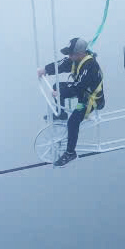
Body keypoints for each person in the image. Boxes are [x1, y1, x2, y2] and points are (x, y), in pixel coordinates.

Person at [37, 37, 104, 168]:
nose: (69, 56)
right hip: (81, 91)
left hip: (91, 99)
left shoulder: (90, 66)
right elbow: (60, 65)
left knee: (73, 121)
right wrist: (45, 70)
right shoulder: (75, 60)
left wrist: (62, 93)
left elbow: (80, 86)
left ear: (79, 54)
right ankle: (61, 114)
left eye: (71, 53)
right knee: (57, 86)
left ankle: (70, 152)